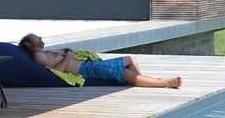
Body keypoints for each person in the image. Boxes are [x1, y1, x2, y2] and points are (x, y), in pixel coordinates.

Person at [18, 33, 181, 89]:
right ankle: (165, 83)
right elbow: (58, 70)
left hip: (88, 64)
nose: (40, 38)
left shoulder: (45, 52)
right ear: (28, 44)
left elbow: (65, 55)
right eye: (36, 38)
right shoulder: (38, 56)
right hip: (84, 70)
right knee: (124, 73)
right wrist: (68, 56)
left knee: (129, 59)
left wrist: (67, 52)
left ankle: (144, 80)